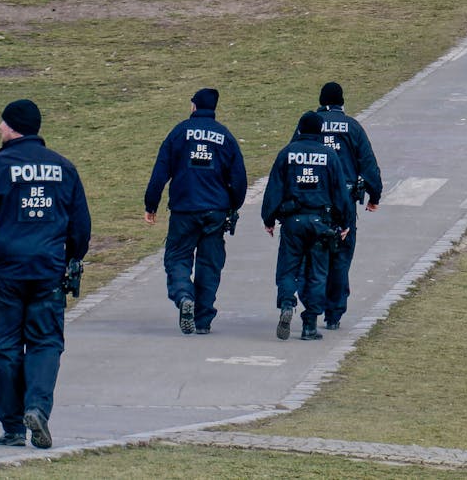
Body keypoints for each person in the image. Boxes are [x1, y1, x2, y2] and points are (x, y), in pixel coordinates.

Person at [0, 99, 92, 450]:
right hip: (49, 270)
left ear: (14, 126)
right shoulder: (63, 168)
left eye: (2, 124)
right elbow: (80, 225)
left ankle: (13, 424)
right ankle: (37, 407)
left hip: (6, 270)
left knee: (3, 345)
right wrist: (72, 255)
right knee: (45, 342)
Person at [144, 88, 248, 335]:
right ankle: (202, 319)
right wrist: (233, 206)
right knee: (209, 264)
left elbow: (160, 171)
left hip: (184, 209)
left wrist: (151, 204)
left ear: (194, 106)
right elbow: (239, 179)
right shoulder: (225, 136)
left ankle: (183, 296)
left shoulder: (179, 133)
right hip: (215, 211)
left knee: (177, 257)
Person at [261, 112, 352, 341]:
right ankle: (310, 324)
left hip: (292, 222)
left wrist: (269, 219)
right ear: (320, 131)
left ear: (300, 129)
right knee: (318, 273)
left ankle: (286, 303)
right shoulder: (330, 156)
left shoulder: (287, 153)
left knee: (288, 268)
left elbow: (274, 188)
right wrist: (346, 222)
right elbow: (340, 192)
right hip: (321, 223)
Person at [304, 82, 382, 331]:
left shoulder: (310, 122)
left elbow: (294, 155)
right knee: (340, 257)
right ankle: (334, 314)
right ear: (341, 102)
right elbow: (368, 163)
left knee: (313, 256)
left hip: (313, 200)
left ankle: (311, 308)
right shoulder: (352, 126)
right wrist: (374, 196)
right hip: (344, 202)